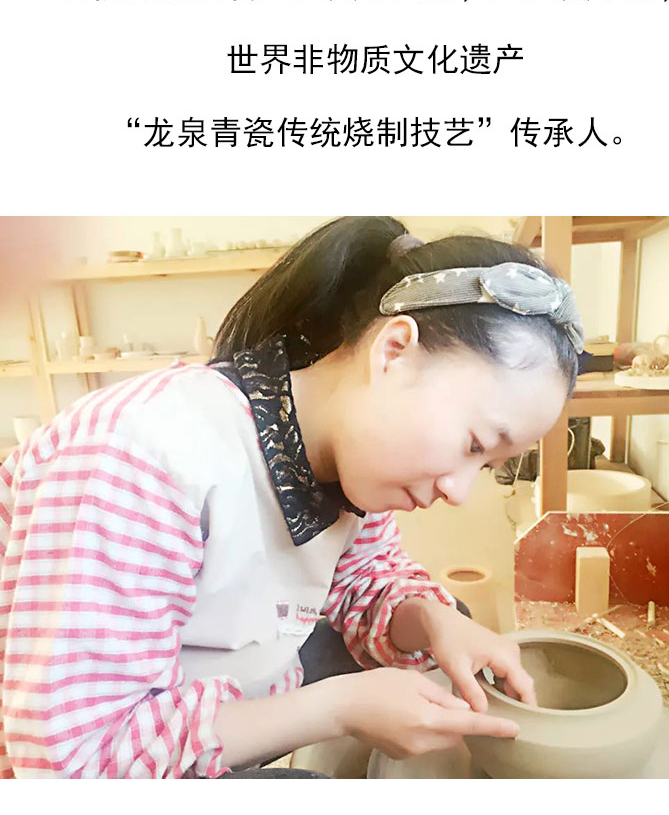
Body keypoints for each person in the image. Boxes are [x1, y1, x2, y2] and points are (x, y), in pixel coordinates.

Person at [0, 217, 583, 779]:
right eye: (474, 444)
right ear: (394, 351)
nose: (459, 490)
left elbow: (367, 578)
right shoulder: (146, 455)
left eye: (488, 465)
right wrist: (337, 708)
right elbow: (72, 764)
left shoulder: (350, 461)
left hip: (202, 703)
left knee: (449, 619)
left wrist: (432, 619)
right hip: (73, 763)